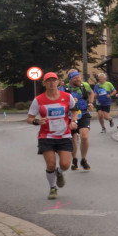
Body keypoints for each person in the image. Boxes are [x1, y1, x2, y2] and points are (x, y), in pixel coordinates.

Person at [28, 72, 77, 200]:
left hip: (64, 135)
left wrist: (73, 121)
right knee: (50, 164)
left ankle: (59, 173)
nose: (51, 83)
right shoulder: (38, 100)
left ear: (58, 82)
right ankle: (52, 187)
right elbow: (29, 118)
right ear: (44, 83)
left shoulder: (67, 97)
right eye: (48, 81)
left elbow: (74, 110)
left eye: (54, 80)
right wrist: (37, 121)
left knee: (65, 164)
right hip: (46, 136)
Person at [63, 70, 94, 171]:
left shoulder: (84, 85)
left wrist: (90, 102)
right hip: (70, 116)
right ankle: (74, 159)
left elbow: (91, 93)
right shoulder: (65, 88)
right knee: (73, 139)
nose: (78, 79)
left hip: (83, 113)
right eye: (75, 78)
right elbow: (60, 101)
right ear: (71, 79)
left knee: (84, 137)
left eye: (79, 77)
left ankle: (83, 159)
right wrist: (69, 101)